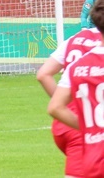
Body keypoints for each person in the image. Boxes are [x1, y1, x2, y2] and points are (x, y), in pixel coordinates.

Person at [37, 18, 103, 178]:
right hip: (87, 124)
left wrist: (70, 103)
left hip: (66, 121)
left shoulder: (74, 39)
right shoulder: (97, 46)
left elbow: (43, 74)